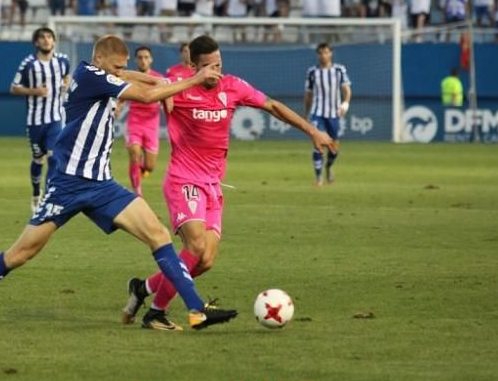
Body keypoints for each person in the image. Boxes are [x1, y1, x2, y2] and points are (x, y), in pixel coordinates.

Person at [0, 35, 238, 331]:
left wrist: (150, 77)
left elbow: (128, 75)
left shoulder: (98, 72)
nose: (121, 71)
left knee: (158, 235)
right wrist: (194, 79)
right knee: (22, 253)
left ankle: (196, 310)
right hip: (68, 185)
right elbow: (144, 95)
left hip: (102, 185)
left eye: (123, 66)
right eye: (117, 66)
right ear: (99, 58)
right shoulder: (91, 76)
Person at [121, 34, 336, 330]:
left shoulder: (233, 86)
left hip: (213, 185)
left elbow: (272, 106)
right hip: (184, 180)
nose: (215, 72)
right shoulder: (178, 88)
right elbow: (142, 80)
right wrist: (113, 72)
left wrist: (312, 131)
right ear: (194, 66)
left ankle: (142, 289)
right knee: (194, 247)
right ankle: (157, 313)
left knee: (205, 260)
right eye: (208, 66)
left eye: (218, 64)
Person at [11, 27, 71, 211]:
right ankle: (36, 192)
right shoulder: (28, 64)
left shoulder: (62, 61)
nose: (46, 40)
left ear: (54, 41)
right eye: (42, 38)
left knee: (54, 157)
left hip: (55, 118)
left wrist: (65, 85)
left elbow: (67, 75)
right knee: (38, 159)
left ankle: (47, 198)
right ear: (36, 43)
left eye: (49, 37)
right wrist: (34, 91)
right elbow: (14, 88)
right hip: (35, 121)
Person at [304, 43, 351, 186]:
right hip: (317, 113)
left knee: (334, 148)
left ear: (331, 53)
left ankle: (329, 167)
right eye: (320, 53)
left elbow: (347, 90)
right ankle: (318, 178)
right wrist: (306, 114)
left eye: (326, 52)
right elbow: (308, 95)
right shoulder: (312, 72)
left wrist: (345, 104)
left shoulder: (339, 70)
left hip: (333, 114)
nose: (323, 55)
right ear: (317, 55)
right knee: (317, 144)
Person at [121, 46, 165, 197]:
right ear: (135, 60)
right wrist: (117, 109)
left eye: (146, 57)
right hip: (134, 122)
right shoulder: (130, 78)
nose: (143, 60)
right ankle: (137, 192)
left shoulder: (158, 79)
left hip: (151, 125)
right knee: (134, 152)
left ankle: (141, 171)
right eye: (140, 57)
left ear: (151, 59)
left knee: (149, 166)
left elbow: (166, 96)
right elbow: (121, 97)